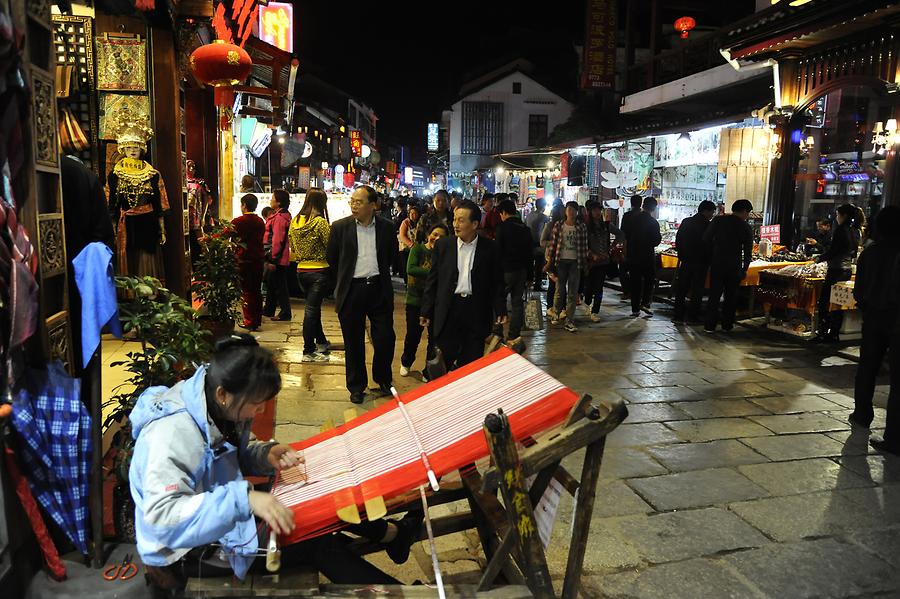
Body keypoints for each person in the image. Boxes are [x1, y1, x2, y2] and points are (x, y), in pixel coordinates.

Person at [130, 335, 402, 595]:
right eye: (256, 404)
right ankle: (399, 574)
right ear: (223, 394)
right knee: (318, 542)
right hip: (183, 552)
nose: (260, 412)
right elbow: (162, 517)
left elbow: (223, 456)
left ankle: (392, 535)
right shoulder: (171, 435)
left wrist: (265, 453)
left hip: (218, 517)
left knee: (323, 508)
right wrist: (245, 500)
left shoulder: (214, 402)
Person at [326, 186, 397, 404]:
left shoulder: (386, 227)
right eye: (352, 201)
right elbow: (332, 258)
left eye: (359, 201)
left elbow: (392, 256)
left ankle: (383, 379)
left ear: (373, 205)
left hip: (378, 289)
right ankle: (356, 386)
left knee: (385, 338)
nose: (354, 205)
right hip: (352, 290)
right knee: (353, 341)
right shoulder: (340, 227)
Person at [421, 200, 507, 370]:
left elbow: (497, 282)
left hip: (476, 310)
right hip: (449, 308)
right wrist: (426, 309)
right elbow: (433, 280)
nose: (455, 224)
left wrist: (500, 308)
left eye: (461, 220)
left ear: (475, 224)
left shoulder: (490, 248)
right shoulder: (444, 245)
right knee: (443, 359)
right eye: (454, 219)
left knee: (471, 362)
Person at [849, 205, 900, 454]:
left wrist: (867, 305)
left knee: (867, 367)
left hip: (874, 317)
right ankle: (894, 436)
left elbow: (858, 289)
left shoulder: (870, 253)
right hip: (896, 319)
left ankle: (861, 414)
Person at [289, 188, 332, 362]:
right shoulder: (320, 222)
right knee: (311, 311)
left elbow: (292, 245)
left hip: (300, 271)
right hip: (319, 271)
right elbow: (331, 245)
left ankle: (321, 341)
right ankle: (308, 349)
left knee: (313, 309)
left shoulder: (295, 221)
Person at [400, 223, 448, 377]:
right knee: (413, 336)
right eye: (435, 234)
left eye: (442, 236)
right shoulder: (418, 249)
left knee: (434, 339)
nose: (437, 238)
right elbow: (411, 269)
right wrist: (435, 273)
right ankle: (406, 362)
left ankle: (428, 371)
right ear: (428, 235)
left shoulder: (445, 255)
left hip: (436, 302)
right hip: (415, 301)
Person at [814, 204, 864, 342]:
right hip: (847, 270)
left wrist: (819, 258)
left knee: (824, 302)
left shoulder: (841, 230)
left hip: (836, 269)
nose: (836, 218)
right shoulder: (857, 230)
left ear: (844, 216)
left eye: (838, 215)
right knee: (838, 302)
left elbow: (834, 251)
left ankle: (823, 332)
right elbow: (853, 252)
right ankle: (834, 333)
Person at [703, 199, 754, 332]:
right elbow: (748, 252)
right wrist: (745, 269)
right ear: (744, 211)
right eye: (748, 213)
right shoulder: (745, 227)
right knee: (731, 297)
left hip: (717, 263)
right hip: (734, 266)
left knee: (714, 295)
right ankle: (727, 325)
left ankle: (709, 325)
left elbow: (706, 239)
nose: (747, 216)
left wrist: (712, 254)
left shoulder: (718, 220)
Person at [494, 199, 533, 348]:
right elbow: (530, 254)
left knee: (499, 300)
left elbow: (498, 251)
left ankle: (497, 332)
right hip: (521, 271)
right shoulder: (525, 228)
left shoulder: (502, 228)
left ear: (504, 212)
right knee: (517, 303)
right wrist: (530, 275)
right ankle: (513, 335)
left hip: (505, 270)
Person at [544, 201, 589, 332]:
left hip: (576, 261)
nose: (571, 212)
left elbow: (585, 247)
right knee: (559, 289)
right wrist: (549, 262)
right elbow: (553, 245)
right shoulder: (559, 225)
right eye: (569, 209)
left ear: (577, 212)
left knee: (573, 293)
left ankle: (570, 320)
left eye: (573, 210)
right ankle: (556, 313)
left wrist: (585, 263)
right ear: (565, 211)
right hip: (561, 261)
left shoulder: (581, 227)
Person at [672, 200, 716, 324]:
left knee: (682, 289)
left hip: (686, 260)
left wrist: (681, 255)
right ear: (706, 211)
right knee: (697, 290)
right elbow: (710, 244)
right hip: (701, 262)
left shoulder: (686, 221)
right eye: (712, 212)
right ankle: (692, 316)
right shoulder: (708, 225)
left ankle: (678, 316)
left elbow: (678, 240)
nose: (712, 214)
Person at [232, 194, 266, 331]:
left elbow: (226, 233)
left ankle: (250, 320)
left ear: (244, 205)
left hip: (244, 259)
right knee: (256, 291)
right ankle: (256, 319)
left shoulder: (239, 221)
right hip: (258, 258)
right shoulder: (259, 221)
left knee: (246, 291)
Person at [623, 197, 662, 317]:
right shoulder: (653, 222)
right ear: (654, 208)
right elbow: (656, 241)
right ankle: (645, 303)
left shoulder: (632, 219)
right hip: (647, 255)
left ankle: (635, 309)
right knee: (649, 280)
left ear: (643, 205)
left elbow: (625, 236)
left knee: (635, 282)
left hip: (633, 254)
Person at [584, 201, 622, 322]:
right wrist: (591, 255)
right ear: (590, 212)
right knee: (589, 287)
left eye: (599, 210)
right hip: (590, 263)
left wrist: (611, 248)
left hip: (603, 262)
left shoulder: (606, 225)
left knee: (599, 288)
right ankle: (588, 302)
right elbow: (582, 244)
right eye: (595, 210)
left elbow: (620, 234)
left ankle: (595, 311)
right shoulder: (585, 226)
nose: (597, 212)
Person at [262, 190, 292, 322]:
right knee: (273, 283)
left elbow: (277, 240)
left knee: (280, 286)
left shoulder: (279, 218)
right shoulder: (282, 216)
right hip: (279, 257)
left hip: (277, 258)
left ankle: (285, 313)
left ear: (278, 202)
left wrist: (273, 259)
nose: (271, 200)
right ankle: (269, 309)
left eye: (273, 198)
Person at [540, 204, 565, 314]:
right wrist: (554, 243)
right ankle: (551, 307)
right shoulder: (549, 225)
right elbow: (542, 242)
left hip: (564, 257)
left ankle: (562, 307)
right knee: (553, 283)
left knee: (562, 283)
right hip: (550, 256)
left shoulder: (566, 225)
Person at [619, 195, 644, 299]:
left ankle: (627, 291)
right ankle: (635, 292)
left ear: (631, 203)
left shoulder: (627, 215)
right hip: (641, 249)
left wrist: (623, 248)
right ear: (641, 203)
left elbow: (623, 233)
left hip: (629, 246)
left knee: (623, 270)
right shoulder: (644, 217)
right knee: (637, 271)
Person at [526, 197, 550, 291]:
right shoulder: (542, 216)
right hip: (538, 243)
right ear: (543, 206)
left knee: (530, 263)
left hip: (529, 242)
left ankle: (529, 282)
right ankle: (537, 284)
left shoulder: (529, 215)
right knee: (539, 264)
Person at [397, 204, 421, 280]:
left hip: (416, 248)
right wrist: (411, 244)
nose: (413, 215)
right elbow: (402, 235)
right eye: (411, 213)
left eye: (415, 213)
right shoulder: (405, 222)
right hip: (406, 249)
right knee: (406, 266)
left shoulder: (420, 222)